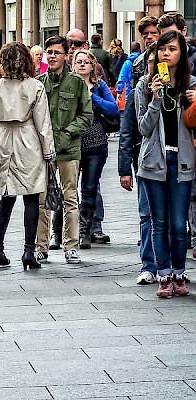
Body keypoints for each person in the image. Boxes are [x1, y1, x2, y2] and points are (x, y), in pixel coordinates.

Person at [136, 31, 195, 298]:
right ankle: (163, 275)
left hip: (182, 161)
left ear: (182, 53)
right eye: (162, 49)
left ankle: (180, 273)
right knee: (158, 222)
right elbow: (144, 128)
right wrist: (156, 98)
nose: (166, 53)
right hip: (154, 161)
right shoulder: (144, 85)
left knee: (178, 223)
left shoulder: (191, 84)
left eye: (172, 49)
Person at [0, 42, 55, 271]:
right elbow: (43, 123)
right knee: (31, 198)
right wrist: (49, 152)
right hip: (29, 140)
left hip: (5, 138)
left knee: (6, 198)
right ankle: (29, 251)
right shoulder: (35, 86)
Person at [35, 36, 93, 265]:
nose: (51, 56)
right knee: (42, 199)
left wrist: (68, 132)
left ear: (66, 55)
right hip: (44, 151)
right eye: (49, 52)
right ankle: (41, 245)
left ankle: (71, 246)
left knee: (70, 198)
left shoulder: (77, 83)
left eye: (56, 52)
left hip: (69, 149)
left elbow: (87, 115)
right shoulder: (39, 83)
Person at [118, 17, 161, 285]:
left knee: (167, 216)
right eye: (144, 33)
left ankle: (169, 265)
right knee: (146, 212)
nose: (149, 37)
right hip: (143, 154)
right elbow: (129, 127)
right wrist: (124, 167)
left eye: (153, 32)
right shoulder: (136, 78)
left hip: (171, 155)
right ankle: (148, 263)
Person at [73, 49, 118, 250]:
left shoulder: (99, 86)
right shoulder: (68, 84)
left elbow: (113, 109)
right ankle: (62, 232)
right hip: (71, 143)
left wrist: (93, 97)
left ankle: (85, 231)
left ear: (92, 66)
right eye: (78, 61)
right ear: (73, 65)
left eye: (86, 62)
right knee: (68, 187)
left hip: (95, 142)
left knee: (90, 188)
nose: (82, 65)